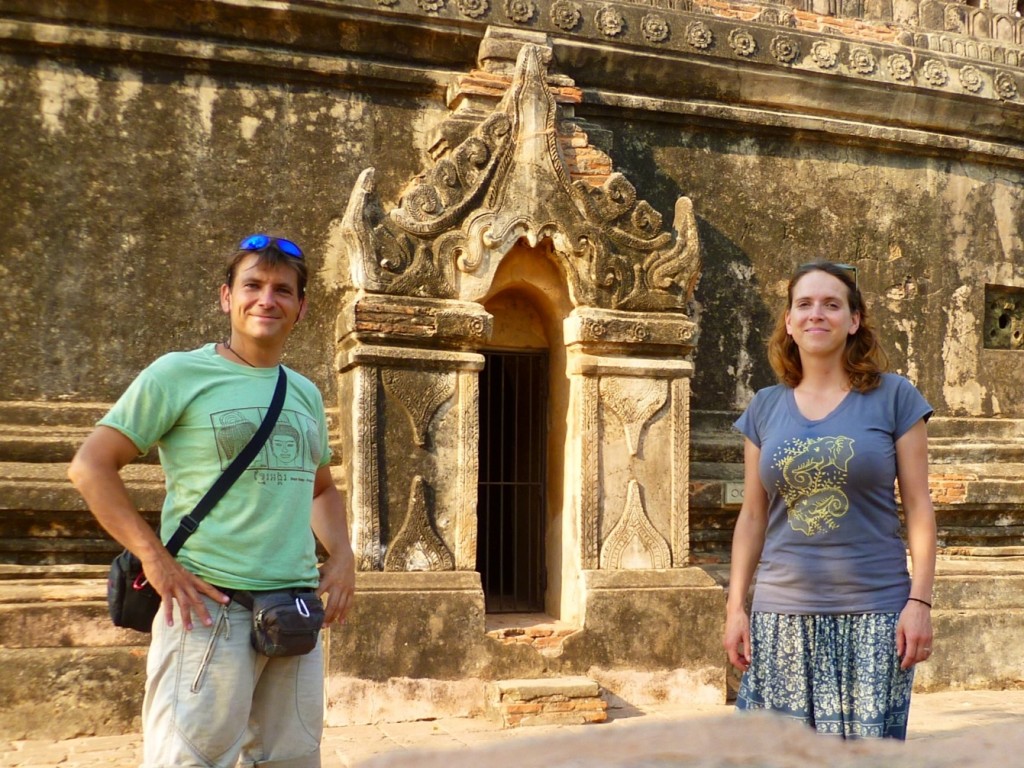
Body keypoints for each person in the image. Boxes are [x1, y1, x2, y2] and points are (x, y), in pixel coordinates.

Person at [68, 233, 356, 767]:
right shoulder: (179, 375)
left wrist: (342, 556)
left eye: (282, 290)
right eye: (253, 285)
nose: (266, 299)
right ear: (227, 297)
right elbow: (91, 466)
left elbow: (320, 488)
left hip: (293, 616)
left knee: (291, 761)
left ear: (301, 307)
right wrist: (155, 559)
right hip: (207, 612)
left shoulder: (305, 393)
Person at [722, 261, 936, 740]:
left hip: (875, 615)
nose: (816, 313)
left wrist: (920, 601)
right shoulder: (764, 407)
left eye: (831, 304)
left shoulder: (894, 397)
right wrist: (736, 607)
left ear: (853, 320)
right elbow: (753, 516)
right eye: (804, 304)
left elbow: (919, 507)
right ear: (789, 321)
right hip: (781, 616)